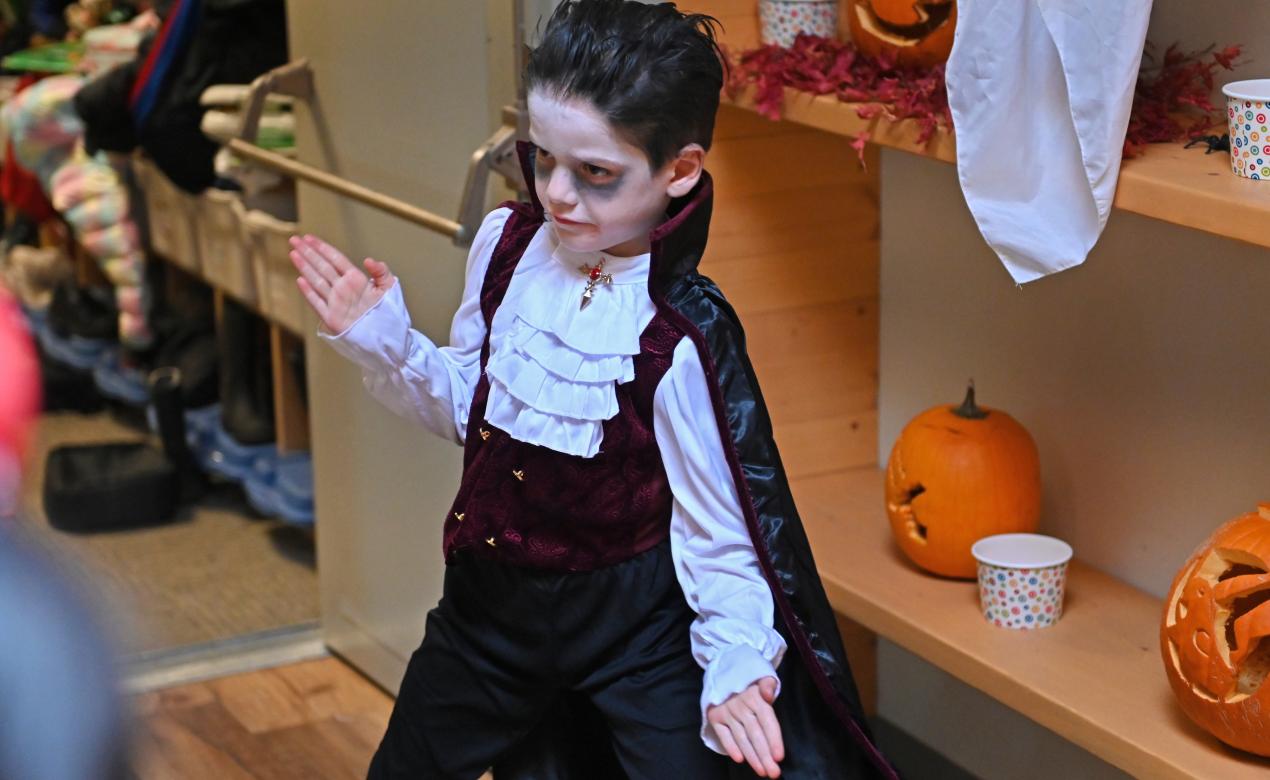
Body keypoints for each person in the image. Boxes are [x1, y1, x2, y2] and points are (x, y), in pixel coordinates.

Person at [289, 2, 896, 778]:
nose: (559, 195)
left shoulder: (678, 336)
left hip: (635, 632)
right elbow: (473, 412)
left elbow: (722, 528)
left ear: (680, 171)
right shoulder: (506, 249)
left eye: (596, 173)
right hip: (488, 614)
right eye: (543, 159)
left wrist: (736, 665)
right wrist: (387, 342)